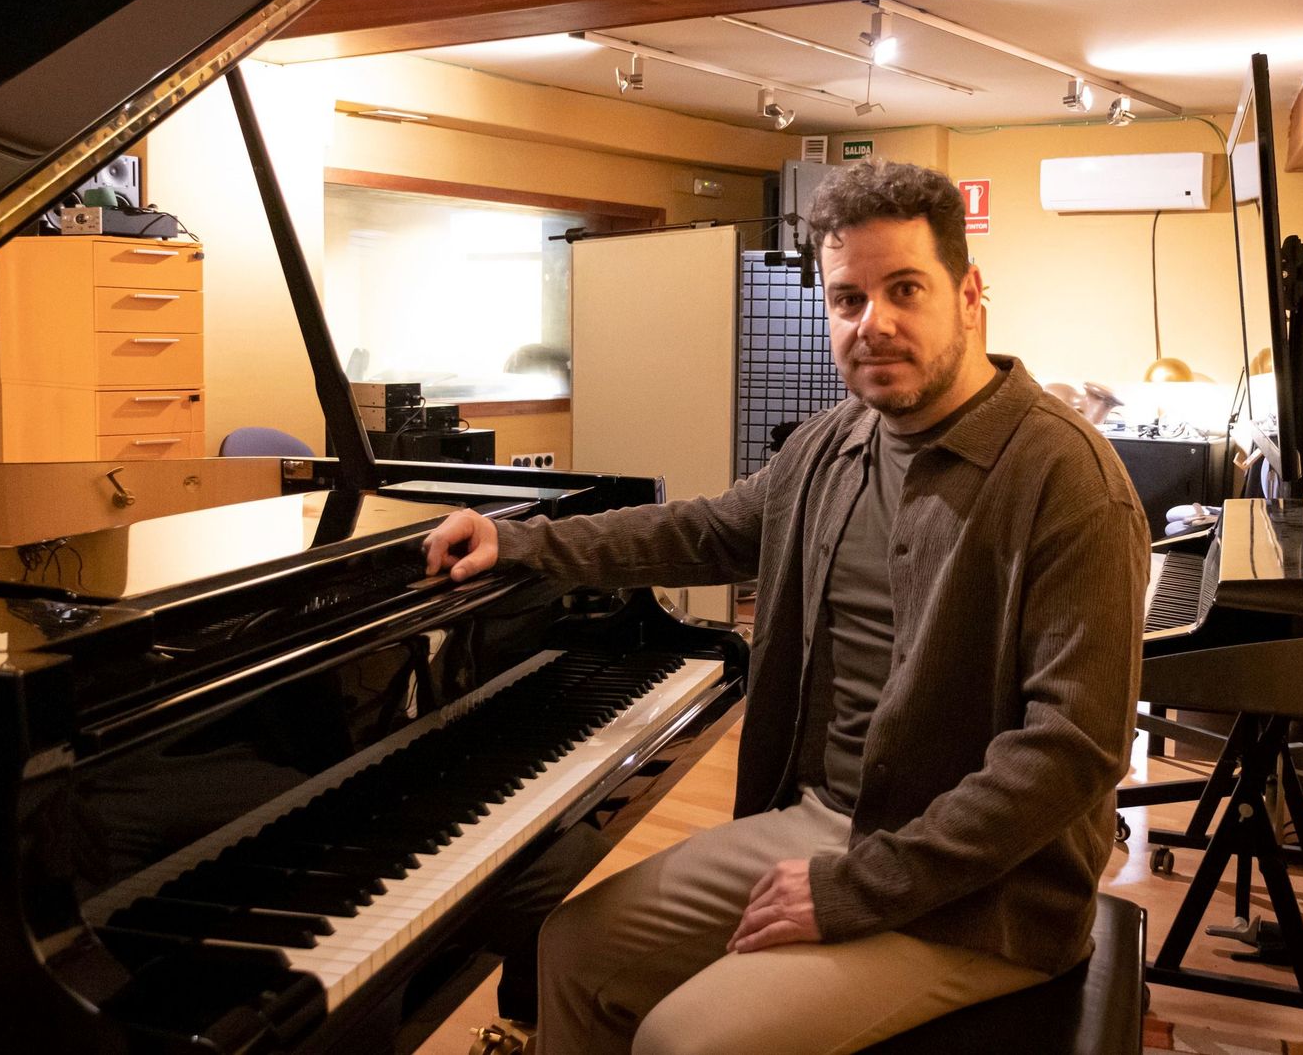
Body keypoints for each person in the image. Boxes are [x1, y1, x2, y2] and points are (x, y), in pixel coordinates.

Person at [422, 159, 1149, 1055]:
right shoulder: (833, 443)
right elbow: (704, 529)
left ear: (969, 296)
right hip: (826, 822)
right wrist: (526, 542)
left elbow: (1071, 751)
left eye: (904, 289)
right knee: (572, 949)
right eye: (847, 299)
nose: (872, 324)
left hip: (985, 892)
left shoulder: (1067, 478)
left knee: (688, 1039)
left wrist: (855, 888)